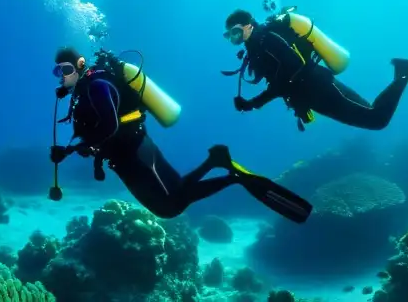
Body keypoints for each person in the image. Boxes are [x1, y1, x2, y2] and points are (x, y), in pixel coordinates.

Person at [49, 46, 312, 223]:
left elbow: (109, 127)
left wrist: (69, 150)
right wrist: (91, 153)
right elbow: (99, 130)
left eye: (65, 69)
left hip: (134, 155)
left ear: (80, 65)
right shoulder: (87, 89)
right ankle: (215, 161)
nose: (61, 76)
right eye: (57, 72)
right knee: (176, 191)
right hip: (136, 148)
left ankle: (233, 178)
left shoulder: (95, 86)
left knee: (169, 208)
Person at [222, 6, 408, 131]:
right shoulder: (257, 45)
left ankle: (404, 73)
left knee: (377, 120)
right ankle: (404, 73)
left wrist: (256, 102)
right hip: (318, 87)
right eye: (229, 36)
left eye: (235, 32)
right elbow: (282, 76)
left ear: (248, 25)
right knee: (374, 115)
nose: (234, 39)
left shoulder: (265, 38)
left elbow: (291, 69)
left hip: (318, 90)